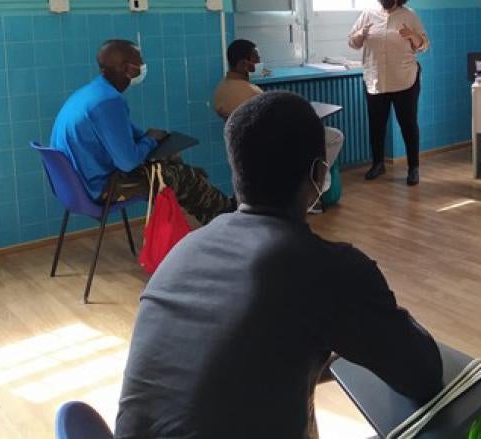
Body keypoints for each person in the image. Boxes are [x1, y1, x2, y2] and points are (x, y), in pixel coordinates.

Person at [115, 91, 443, 438]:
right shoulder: (330, 269)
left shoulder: (185, 251)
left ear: (236, 168)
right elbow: (423, 374)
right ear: (319, 174)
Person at [51, 39, 233, 225]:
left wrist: (151, 139)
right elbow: (128, 162)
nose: (143, 66)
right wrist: (150, 141)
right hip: (102, 187)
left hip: (80, 185)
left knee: (178, 168)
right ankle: (227, 222)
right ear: (126, 68)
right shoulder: (109, 102)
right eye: (139, 61)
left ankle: (221, 210)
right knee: (184, 177)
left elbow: (125, 134)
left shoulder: (92, 93)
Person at [213, 39, 344, 189]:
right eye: (257, 59)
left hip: (246, 149)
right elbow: (275, 125)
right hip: (273, 146)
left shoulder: (221, 89)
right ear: (244, 64)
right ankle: (313, 187)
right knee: (333, 136)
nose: (260, 63)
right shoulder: (252, 93)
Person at [348, 0, 429, 186]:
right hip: (375, 80)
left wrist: (412, 35)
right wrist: (360, 34)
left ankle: (413, 168)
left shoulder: (409, 16)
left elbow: (424, 45)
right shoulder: (368, 14)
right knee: (376, 125)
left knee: (408, 124)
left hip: (404, 79)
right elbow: (353, 42)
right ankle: (377, 164)